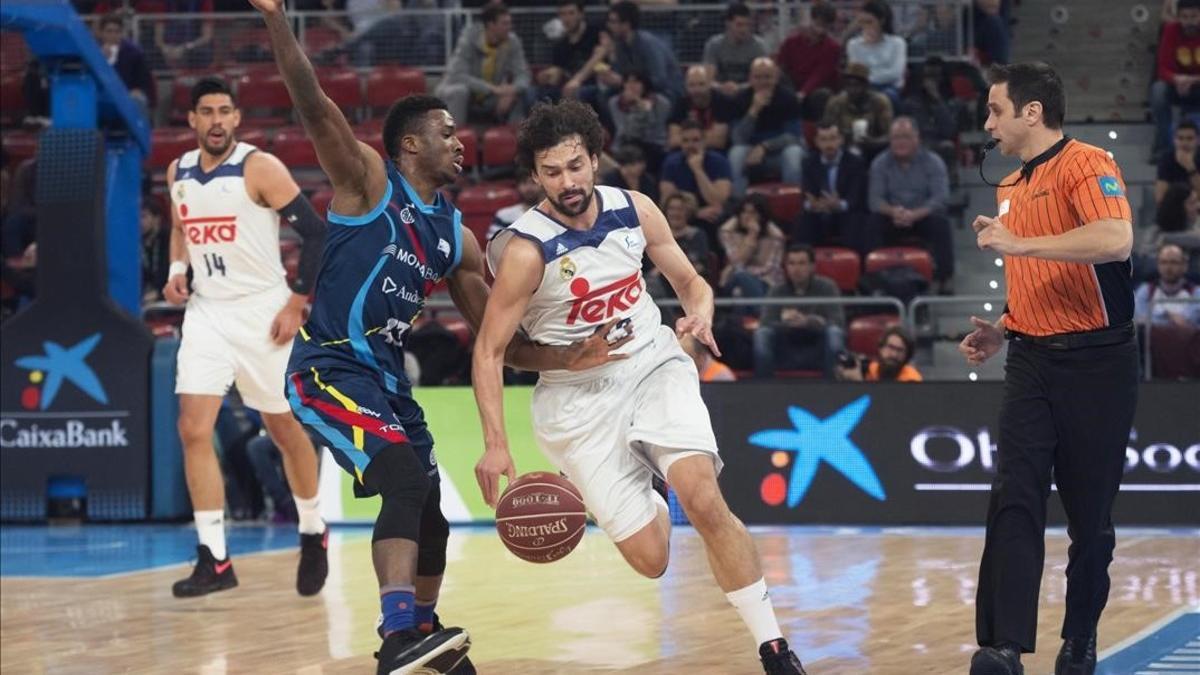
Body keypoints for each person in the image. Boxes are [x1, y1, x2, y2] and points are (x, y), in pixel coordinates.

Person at [251, 3, 625, 672]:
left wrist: (566, 355)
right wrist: (279, 18)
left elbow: (497, 339)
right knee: (399, 476)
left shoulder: (456, 234)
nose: (461, 141)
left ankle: (426, 636)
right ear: (411, 144)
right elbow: (311, 102)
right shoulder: (367, 182)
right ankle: (397, 635)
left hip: (388, 381)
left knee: (433, 512)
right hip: (329, 366)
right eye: (446, 132)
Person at [472, 98, 807, 675]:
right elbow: (491, 350)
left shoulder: (637, 210)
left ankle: (774, 648)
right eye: (552, 172)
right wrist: (498, 441)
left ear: (595, 159)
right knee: (652, 561)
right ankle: (644, 489)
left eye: (575, 165)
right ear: (535, 176)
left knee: (703, 497)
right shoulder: (526, 251)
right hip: (574, 400)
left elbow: (691, 281)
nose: (567, 181)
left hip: (653, 363)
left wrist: (698, 316)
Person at [959, 62, 1138, 675]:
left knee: (1091, 522)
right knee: (1014, 496)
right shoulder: (1008, 186)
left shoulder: (1089, 163)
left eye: (995, 110)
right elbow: (1043, 272)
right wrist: (1003, 328)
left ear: (1031, 112)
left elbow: (1115, 239)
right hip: (1031, 360)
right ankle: (1003, 646)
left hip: (1098, 364)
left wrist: (1018, 244)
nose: (988, 123)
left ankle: (1080, 637)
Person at [162, 77, 329, 600]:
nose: (216, 120)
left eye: (225, 111)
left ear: (237, 118)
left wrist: (297, 302)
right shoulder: (179, 171)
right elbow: (180, 228)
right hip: (207, 312)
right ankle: (214, 557)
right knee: (193, 429)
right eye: (206, 111)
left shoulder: (260, 167)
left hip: (262, 311)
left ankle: (312, 528)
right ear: (191, 120)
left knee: (283, 431)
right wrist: (175, 268)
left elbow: (317, 233)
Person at [868, 117, 955, 294]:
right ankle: (874, 278)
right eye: (896, 138)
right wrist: (893, 212)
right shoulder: (879, 163)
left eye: (906, 137)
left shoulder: (933, 162)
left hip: (922, 216)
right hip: (893, 217)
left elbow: (940, 198)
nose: (900, 142)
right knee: (871, 222)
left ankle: (943, 278)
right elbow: (875, 200)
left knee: (941, 223)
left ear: (917, 138)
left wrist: (915, 214)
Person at [755, 244, 845, 378]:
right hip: (786, 349)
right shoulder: (776, 291)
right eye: (791, 264)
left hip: (817, 348)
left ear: (812, 266)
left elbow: (838, 322)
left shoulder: (827, 287)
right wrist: (785, 323)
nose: (796, 269)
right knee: (762, 334)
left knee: (835, 333)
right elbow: (765, 323)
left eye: (802, 263)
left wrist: (809, 321)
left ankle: (832, 388)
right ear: (786, 267)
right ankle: (764, 391)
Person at [434, 2, 530, 126]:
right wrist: (493, 89)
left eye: (510, 23)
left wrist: (513, 90)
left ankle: (516, 140)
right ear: (491, 25)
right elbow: (458, 75)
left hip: (490, 98)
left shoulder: (512, 42)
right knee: (460, 91)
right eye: (505, 23)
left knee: (519, 95)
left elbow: (523, 74)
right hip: (457, 92)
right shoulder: (468, 38)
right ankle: (454, 139)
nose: (510, 27)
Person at [727, 57, 804, 196]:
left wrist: (764, 147)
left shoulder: (788, 98)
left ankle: (792, 205)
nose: (763, 82)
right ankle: (738, 206)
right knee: (736, 153)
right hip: (750, 155)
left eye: (767, 77)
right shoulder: (740, 98)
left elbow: (794, 136)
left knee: (794, 153)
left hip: (779, 154)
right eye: (758, 77)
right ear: (750, 79)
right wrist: (753, 111)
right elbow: (737, 138)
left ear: (776, 77)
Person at [793, 122, 869, 253]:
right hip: (819, 213)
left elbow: (856, 198)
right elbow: (807, 196)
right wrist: (813, 205)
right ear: (816, 142)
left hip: (845, 214)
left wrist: (839, 204)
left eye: (833, 138)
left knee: (856, 220)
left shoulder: (855, 162)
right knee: (804, 219)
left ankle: (854, 266)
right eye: (824, 139)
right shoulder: (809, 163)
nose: (829, 144)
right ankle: (803, 263)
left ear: (841, 140)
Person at [659, 119, 733, 226]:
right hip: (684, 216)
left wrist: (698, 170)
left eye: (695, 140)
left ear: (704, 141)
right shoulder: (671, 163)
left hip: (712, 215)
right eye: (685, 141)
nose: (690, 145)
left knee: (716, 216)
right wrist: (696, 213)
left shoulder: (719, 162)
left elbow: (718, 201)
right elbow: (667, 202)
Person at [774, 1, 840, 121]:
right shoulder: (791, 41)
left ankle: (821, 130)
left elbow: (820, 75)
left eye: (826, 26)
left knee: (822, 95)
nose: (821, 30)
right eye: (819, 24)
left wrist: (803, 93)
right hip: (793, 85)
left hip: (815, 89)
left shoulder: (833, 47)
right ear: (811, 20)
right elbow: (780, 64)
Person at [1151, 0, 1200, 159]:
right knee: (1158, 90)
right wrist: (1177, 79)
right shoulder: (1171, 30)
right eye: (1185, 17)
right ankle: (1164, 146)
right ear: (1178, 17)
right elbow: (1162, 68)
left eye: (1194, 16)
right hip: (1177, 85)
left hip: (1196, 83)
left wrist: (1191, 79)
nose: (1189, 21)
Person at [822, 62, 894, 162]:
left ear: (866, 85)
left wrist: (873, 142)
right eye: (848, 85)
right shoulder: (835, 103)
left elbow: (890, 135)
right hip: (842, 150)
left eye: (856, 85)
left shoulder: (880, 102)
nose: (852, 90)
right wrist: (843, 138)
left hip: (873, 151)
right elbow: (826, 132)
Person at [846, 0, 907, 105]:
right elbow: (856, 72)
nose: (865, 26)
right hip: (863, 89)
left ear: (881, 21)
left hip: (890, 88)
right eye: (862, 22)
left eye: (869, 22)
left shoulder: (898, 43)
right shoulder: (853, 44)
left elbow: (895, 74)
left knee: (884, 98)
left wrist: (867, 77)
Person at [702, 1, 769, 97]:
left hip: (749, 95)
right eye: (739, 25)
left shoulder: (758, 46)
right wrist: (721, 87)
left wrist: (739, 88)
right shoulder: (714, 45)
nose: (744, 29)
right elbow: (708, 79)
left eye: (747, 25)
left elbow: (763, 80)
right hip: (720, 95)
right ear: (728, 24)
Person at [95, 13, 155, 116]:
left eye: (117, 32)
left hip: (127, 94)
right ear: (101, 33)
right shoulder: (92, 51)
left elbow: (144, 82)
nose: (113, 36)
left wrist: (136, 91)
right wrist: (99, 59)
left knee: (138, 100)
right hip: (100, 94)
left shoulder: (134, 53)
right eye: (109, 31)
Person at [667, 65, 736, 152]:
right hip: (685, 152)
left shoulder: (721, 101)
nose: (696, 90)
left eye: (701, 84)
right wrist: (704, 137)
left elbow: (718, 141)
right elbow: (673, 140)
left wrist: (686, 138)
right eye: (691, 85)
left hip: (713, 152)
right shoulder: (681, 103)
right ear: (685, 86)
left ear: (710, 84)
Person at [1135, 243, 1200, 326]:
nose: (1168, 267)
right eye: (1163, 262)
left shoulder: (1196, 293)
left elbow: (1188, 322)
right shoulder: (1145, 291)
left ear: (1184, 266)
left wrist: (1157, 318)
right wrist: (1168, 315)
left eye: (1174, 262)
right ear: (1158, 265)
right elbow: (1140, 321)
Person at [837, 325, 921, 381]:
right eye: (890, 347)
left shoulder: (912, 378)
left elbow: (884, 404)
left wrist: (859, 383)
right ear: (881, 348)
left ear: (907, 355)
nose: (894, 355)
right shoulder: (869, 369)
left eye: (900, 350)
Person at [1154, 120, 1200, 205]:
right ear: (1174, 140)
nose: (1184, 143)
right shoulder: (1167, 159)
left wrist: (1191, 168)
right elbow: (1160, 199)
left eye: (1189, 138)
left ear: (1198, 140)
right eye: (1180, 138)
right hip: (1175, 211)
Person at [487, 173, 544, 240]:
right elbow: (493, 242)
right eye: (524, 183)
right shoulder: (504, 215)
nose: (529, 188)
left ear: (542, 185)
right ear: (518, 186)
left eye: (533, 183)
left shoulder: (551, 214)